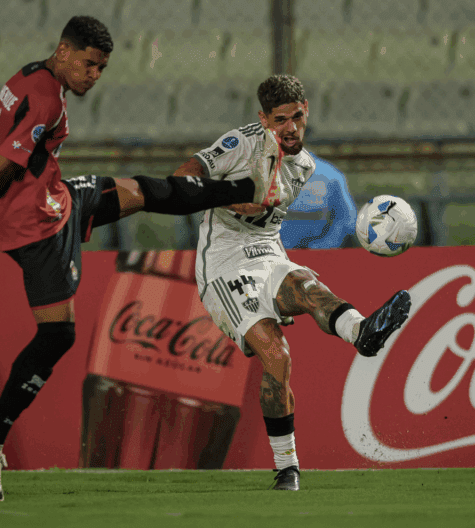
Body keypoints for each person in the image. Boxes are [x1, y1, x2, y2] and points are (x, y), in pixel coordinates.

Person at [0, 16, 282, 503]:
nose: (94, 75)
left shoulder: (28, 76)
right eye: (89, 64)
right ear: (64, 52)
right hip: (39, 228)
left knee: (143, 190)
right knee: (58, 334)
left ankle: (248, 187)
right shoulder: (46, 98)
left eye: (102, 68)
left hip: (57, 200)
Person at [172, 74, 412, 491]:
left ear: (307, 112)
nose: (290, 128)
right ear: (263, 119)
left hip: (267, 250)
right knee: (277, 357)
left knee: (305, 285)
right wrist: (229, 198)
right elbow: (182, 176)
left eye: (297, 117)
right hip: (224, 264)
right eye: (279, 119)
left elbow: (265, 222)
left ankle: (362, 333)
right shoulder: (239, 143)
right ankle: (288, 467)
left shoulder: (305, 167)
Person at [280, 150, 358, 249]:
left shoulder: (330, 174)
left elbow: (347, 218)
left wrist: (325, 245)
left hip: (317, 255)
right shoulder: (264, 172)